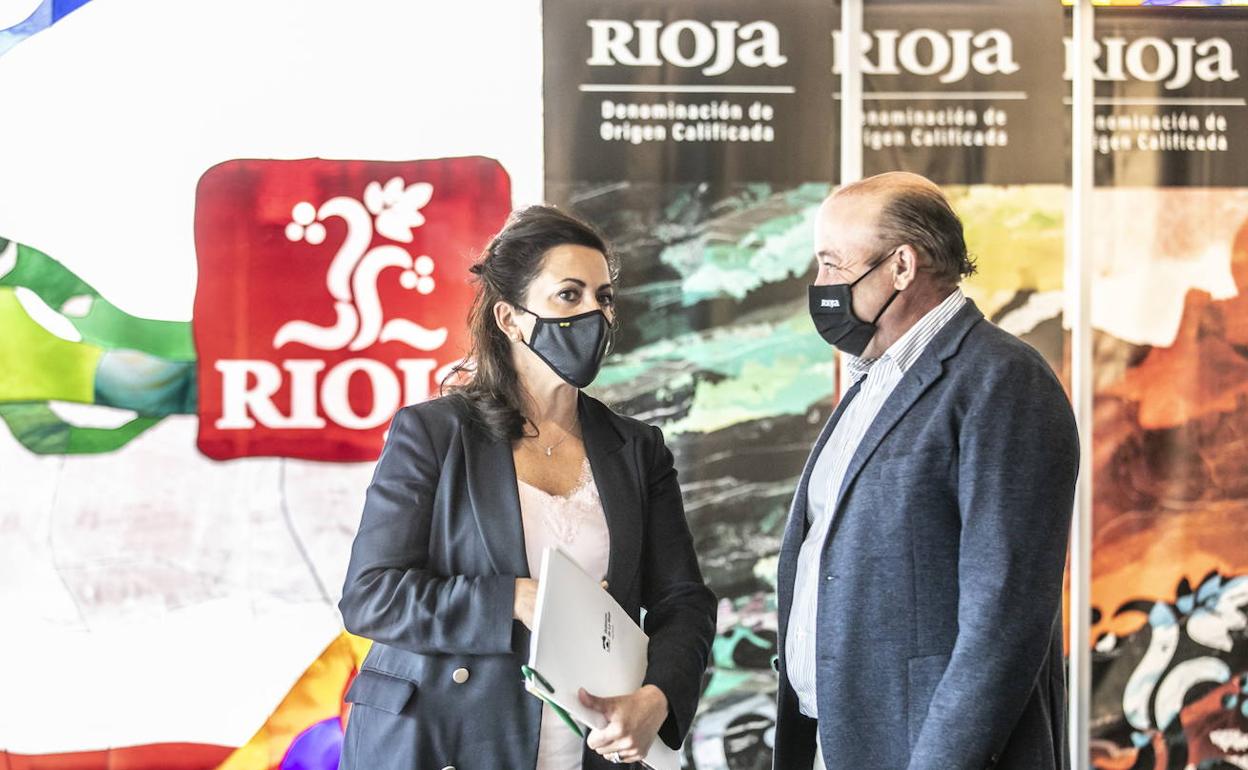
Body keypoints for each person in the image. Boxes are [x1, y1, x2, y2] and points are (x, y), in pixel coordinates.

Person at [338, 205, 717, 770]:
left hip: (586, 744)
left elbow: (683, 602)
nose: (594, 314)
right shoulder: (433, 433)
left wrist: (657, 699)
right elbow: (370, 596)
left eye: (604, 297)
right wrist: (514, 599)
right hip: (443, 739)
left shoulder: (638, 449)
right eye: (569, 295)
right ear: (510, 319)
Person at [773, 172, 1079, 770]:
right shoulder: (873, 380)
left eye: (832, 264)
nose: (821, 286)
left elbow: (1004, 621)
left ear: (902, 267)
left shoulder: (1004, 380)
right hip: (839, 743)